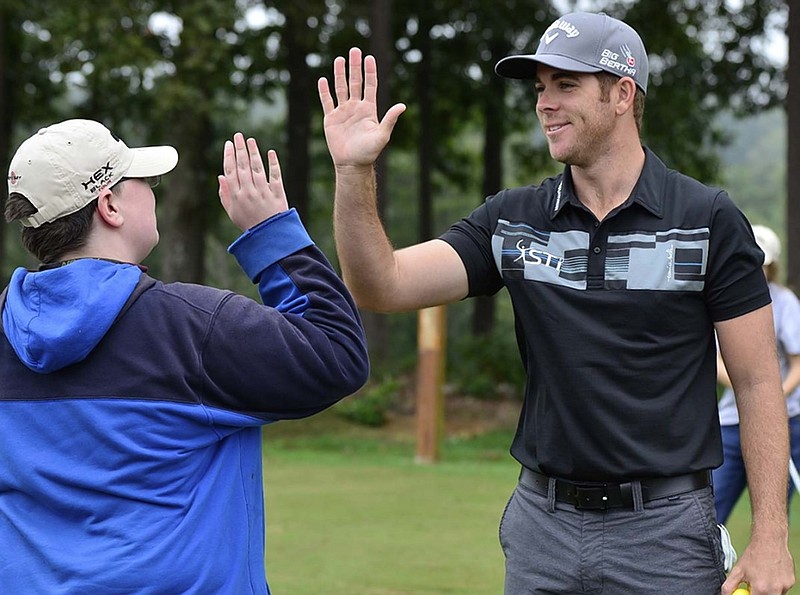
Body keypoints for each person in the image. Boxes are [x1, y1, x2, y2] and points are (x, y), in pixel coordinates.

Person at [317, 11, 794, 595]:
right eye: (541, 88)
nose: (545, 103)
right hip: (542, 528)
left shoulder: (707, 221)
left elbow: (756, 382)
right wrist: (353, 169)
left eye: (566, 85)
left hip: (666, 534)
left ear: (622, 94)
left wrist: (770, 534)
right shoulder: (512, 220)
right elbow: (379, 285)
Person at [0, 119, 369, 593]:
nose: (154, 192)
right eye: (143, 182)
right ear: (109, 206)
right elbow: (336, 352)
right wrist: (269, 231)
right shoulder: (195, 328)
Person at [714, 224, 800, 523]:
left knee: (772, 517)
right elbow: (715, 360)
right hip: (731, 422)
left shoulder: (785, 303)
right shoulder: (721, 297)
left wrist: (769, 398)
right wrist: (749, 392)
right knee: (711, 510)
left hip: (786, 419)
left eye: (762, 265)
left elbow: (798, 363)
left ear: (771, 266)